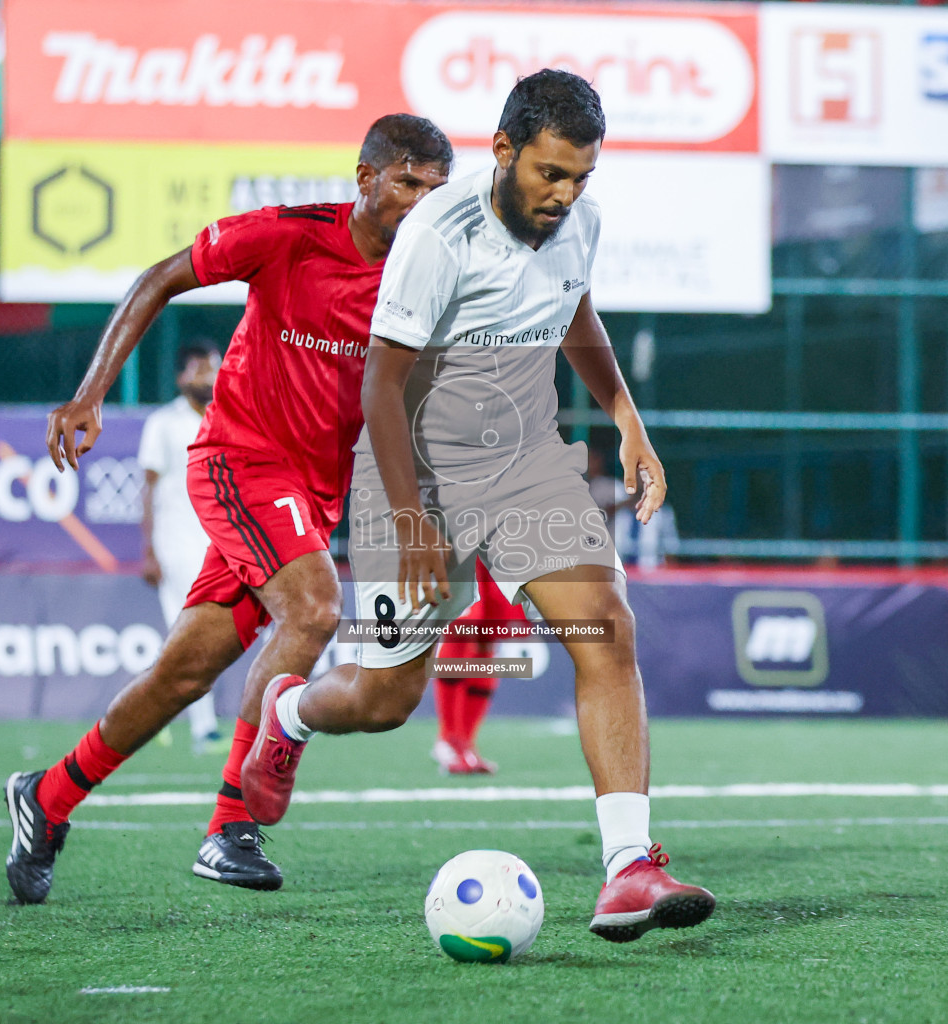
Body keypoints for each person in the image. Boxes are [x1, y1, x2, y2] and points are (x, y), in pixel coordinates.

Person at [238, 70, 715, 943]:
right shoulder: (436, 232)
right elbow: (381, 383)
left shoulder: (581, 224)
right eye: (549, 175)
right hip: (412, 473)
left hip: (527, 462)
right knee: (386, 700)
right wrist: (414, 516)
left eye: (581, 177)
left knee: (606, 628)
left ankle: (628, 869)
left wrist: (628, 422)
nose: (565, 195)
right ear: (502, 152)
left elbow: (578, 318)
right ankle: (291, 712)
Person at [4, 115, 452, 904]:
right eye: (408, 182)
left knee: (184, 673)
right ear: (366, 179)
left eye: (435, 189)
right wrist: (89, 393)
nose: (421, 201)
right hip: (238, 463)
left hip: (311, 497)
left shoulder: (427, 279)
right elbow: (157, 279)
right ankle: (231, 825)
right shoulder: (285, 238)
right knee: (314, 610)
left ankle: (47, 799)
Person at [137, 342, 225, 754]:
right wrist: (149, 550)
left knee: (186, 638)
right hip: (175, 544)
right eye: (199, 369)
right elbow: (148, 488)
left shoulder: (229, 416)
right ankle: (203, 729)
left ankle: (142, 708)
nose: (208, 376)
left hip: (218, 543)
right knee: (193, 638)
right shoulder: (163, 423)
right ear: (180, 377)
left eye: (214, 368)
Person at [430, 561, 529, 775]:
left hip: (501, 548)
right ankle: (449, 740)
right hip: (464, 541)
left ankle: (465, 743)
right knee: (460, 628)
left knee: (487, 637)